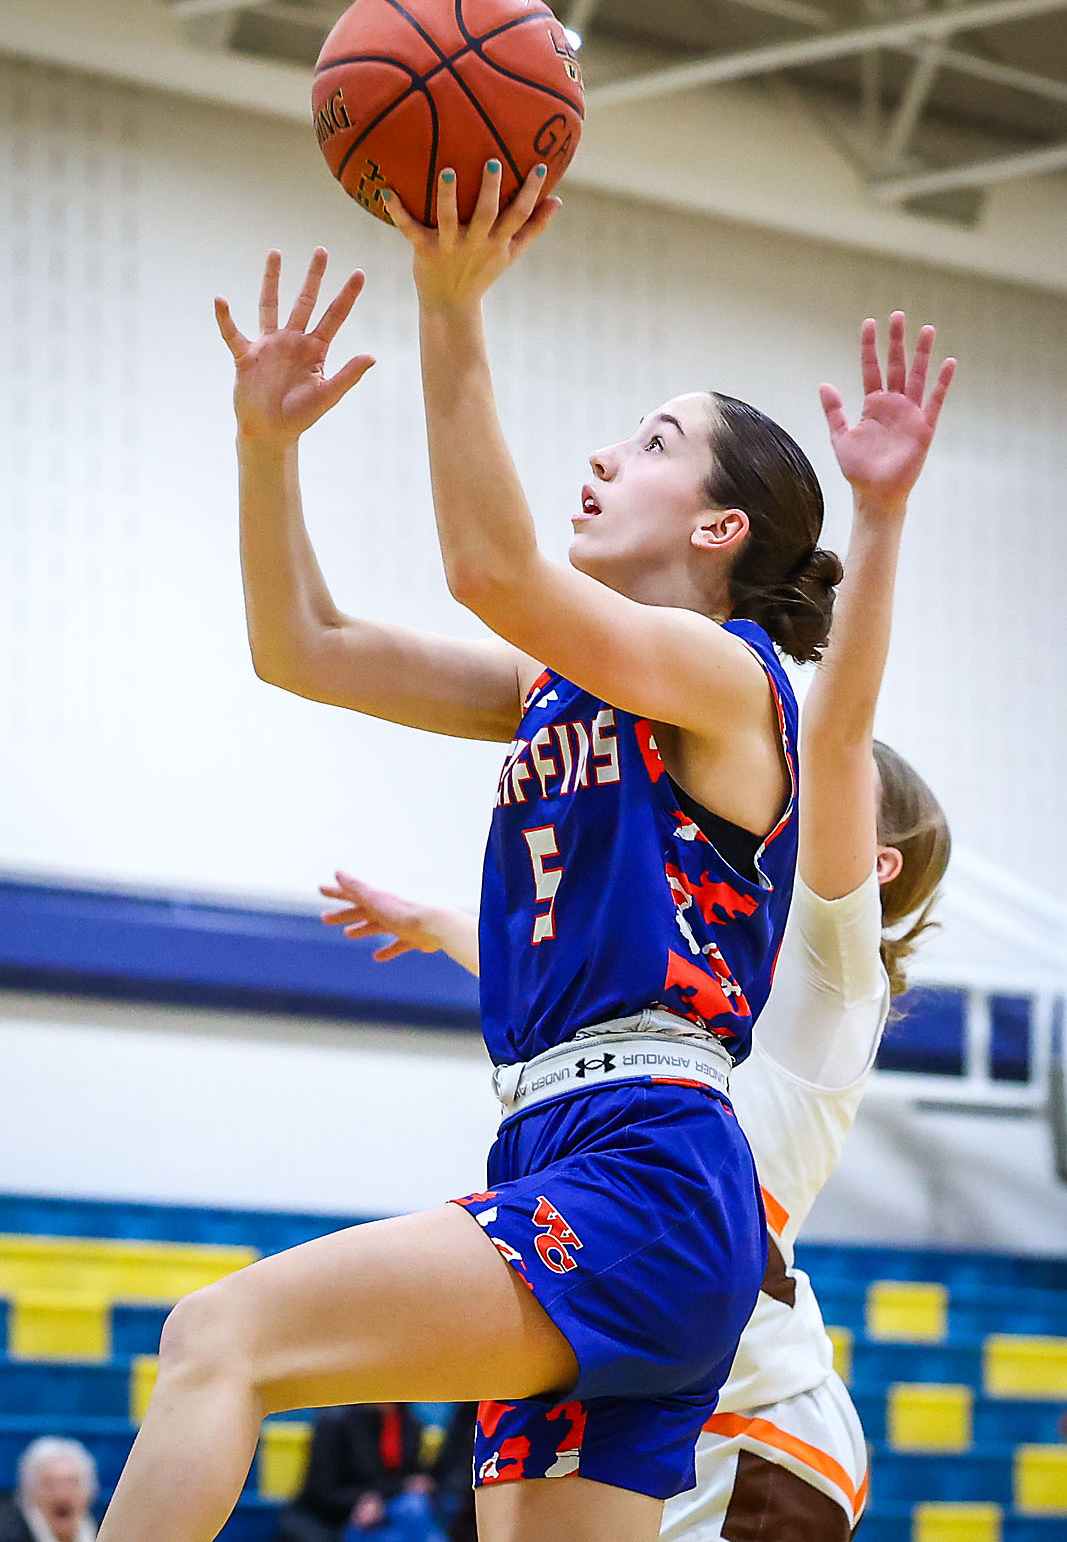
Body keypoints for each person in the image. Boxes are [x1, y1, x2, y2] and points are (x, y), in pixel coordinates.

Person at [100, 161, 878, 1542]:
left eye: (650, 442)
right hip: (561, 1148)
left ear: (718, 527)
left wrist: (448, 302)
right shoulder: (549, 685)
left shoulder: (726, 678)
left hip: (645, 1164)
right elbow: (304, 648)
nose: (605, 458)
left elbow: (490, 570)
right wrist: (265, 448)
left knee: (218, 1337)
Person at [320, 311, 954, 1540]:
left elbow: (831, 731)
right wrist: (441, 919)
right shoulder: (708, 926)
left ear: (868, 862)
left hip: (756, 1426)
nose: (794, 789)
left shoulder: (829, 973)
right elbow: (594, 957)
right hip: (648, 1354)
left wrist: (877, 520)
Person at [274, 1404, 443, 1542]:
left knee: (415, 1508)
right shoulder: (335, 1421)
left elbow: (406, 1475)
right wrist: (363, 1500)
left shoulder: (407, 1422)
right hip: (328, 1518)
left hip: (382, 1511)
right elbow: (322, 1491)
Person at [0, 1438, 98, 1542]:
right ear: (29, 1494)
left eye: (71, 1484)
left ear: (89, 1492)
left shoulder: (105, 1532)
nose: (61, 1495)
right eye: (49, 1485)